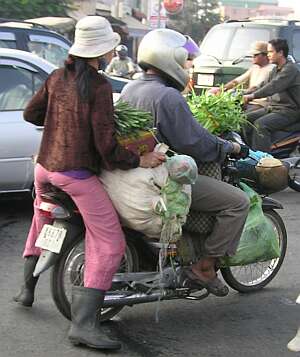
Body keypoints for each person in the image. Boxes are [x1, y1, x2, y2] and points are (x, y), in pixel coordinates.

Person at [13, 16, 165, 351]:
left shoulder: (55, 77)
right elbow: (105, 146)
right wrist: (139, 159)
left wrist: (57, 120)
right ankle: (83, 324)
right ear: (103, 51)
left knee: (43, 219)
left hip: (44, 169)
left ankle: (26, 290)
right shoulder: (97, 86)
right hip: (75, 175)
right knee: (108, 240)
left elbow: (30, 114)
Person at [120, 28, 250, 298]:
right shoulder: (168, 97)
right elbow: (196, 144)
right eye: (184, 61)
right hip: (162, 176)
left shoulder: (131, 87)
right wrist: (228, 147)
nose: (187, 67)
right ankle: (205, 266)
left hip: (135, 173)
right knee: (238, 202)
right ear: (168, 58)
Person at [243, 38, 300, 152]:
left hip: (290, 111)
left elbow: (273, 86)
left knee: (260, 125)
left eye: (270, 52)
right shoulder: (275, 70)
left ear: (280, 53)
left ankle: (263, 161)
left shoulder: (290, 70)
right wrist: (240, 93)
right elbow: (261, 85)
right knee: (244, 120)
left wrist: (252, 96)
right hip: (273, 108)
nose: (268, 55)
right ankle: (249, 153)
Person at [210, 41, 274, 110]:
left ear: (264, 55)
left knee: (245, 116)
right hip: (248, 101)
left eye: (256, 55)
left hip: (261, 104)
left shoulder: (270, 69)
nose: (253, 57)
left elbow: (256, 88)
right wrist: (221, 89)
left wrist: (239, 93)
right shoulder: (254, 68)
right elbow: (237, 81)